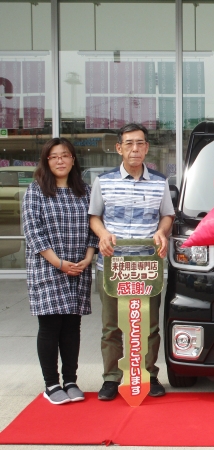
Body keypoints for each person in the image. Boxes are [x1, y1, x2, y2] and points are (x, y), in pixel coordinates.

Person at [89, 123, 175, 401]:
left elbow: (167, 215)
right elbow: (94, 217)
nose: (134, 149)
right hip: (112, 266)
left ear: (147, 148)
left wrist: (162, 231)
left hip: (147, 266)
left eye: (140, 143)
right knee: (112, 326)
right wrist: (103, 234)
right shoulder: (104, 182)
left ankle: (149, 375)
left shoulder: (160, 182)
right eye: (129, 143)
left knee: (148, 326)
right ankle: (111, 378)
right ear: (119, 148)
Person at [22, 137, 98, 405]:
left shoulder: (85, 191)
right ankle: (51, 384)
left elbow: (94, 226)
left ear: (73, 159)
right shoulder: (36, 191)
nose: (60, 161)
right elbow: (33, 232)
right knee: (50, 325)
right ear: (46, 161)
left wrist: (87, 258)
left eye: (65, 155)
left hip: (78, 268)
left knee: (72, 326)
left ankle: (71, 381)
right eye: (54, 157)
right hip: (48, 268)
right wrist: (59, 263)